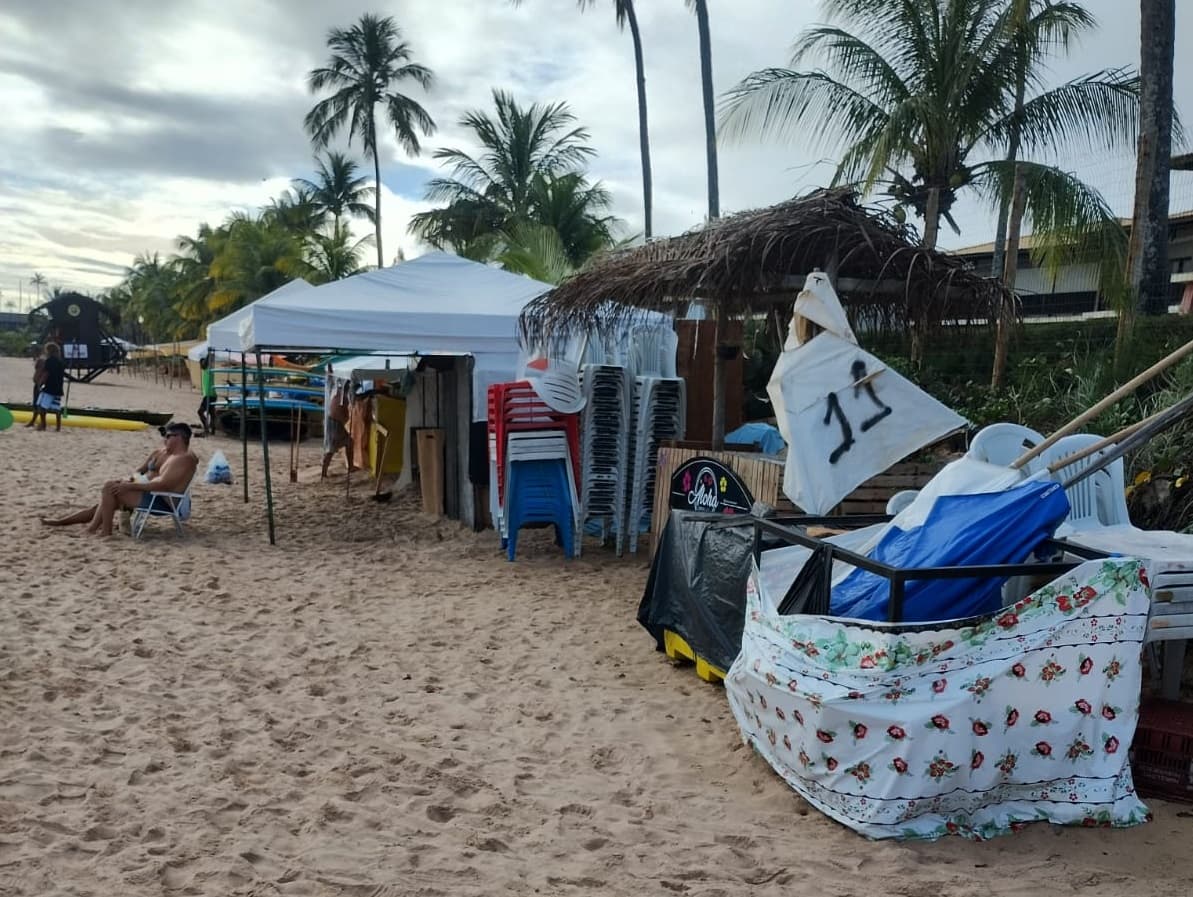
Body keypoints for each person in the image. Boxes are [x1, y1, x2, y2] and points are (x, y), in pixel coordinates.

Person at [41, 422, 199, 536]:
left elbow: (163, 485)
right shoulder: (162, 452)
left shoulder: (184, 459)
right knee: (108, 496)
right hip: (148, 491)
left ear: (179, 437)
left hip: (163, 501)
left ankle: (102, 531)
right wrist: (128, 481)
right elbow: (140, 471)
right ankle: (64, 523)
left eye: (168, 436)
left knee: (110, 489)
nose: (164, 439)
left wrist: (129, 487)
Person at [321, 370, 356, 479]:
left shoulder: (343, 396)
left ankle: (350, 467)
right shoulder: (340, 397)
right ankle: (324, 471)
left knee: (349, 442)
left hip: (337, 423)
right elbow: (337, 412)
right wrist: (346, 422)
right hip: (334, 423)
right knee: (331, 448)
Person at [33, 342, 65, 431]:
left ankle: (43, 425)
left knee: (41, 406)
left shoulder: (49, 361)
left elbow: (46, 374)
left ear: (49, 351)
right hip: (58, 387)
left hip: (49, 387)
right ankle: (58, 427)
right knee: (56, 408)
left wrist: (40, 383)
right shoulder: (60, 362)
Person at [24, 344, 45, 428]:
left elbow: (42, 372)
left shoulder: (41, 360)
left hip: (39, 384)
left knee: (37, 403)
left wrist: (40, 383)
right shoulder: (40, 359)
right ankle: (34, 421)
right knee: (36, 403)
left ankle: (35, 421)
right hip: (38, 383)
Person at [198, 354, 217, 436]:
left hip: (209, 395)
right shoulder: (208, 369)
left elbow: (208, 359)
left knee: (200, 412)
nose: (201, 365)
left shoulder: (208, 369)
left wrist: (209, 353)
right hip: (213, 394)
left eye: (202, 363)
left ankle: (207, 428)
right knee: (211, 412)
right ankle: (212, 429)